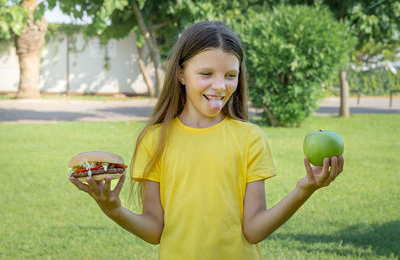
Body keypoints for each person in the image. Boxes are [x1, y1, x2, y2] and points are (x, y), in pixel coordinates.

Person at [69, 21, 344, 260]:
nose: (220, 86)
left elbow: (254, 229)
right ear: (180, 74)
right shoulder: (155, 140)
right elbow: (154, 230)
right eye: (206, 74)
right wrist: (113, 209)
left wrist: (304, 189)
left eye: (230, 75)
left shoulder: (250, 138)